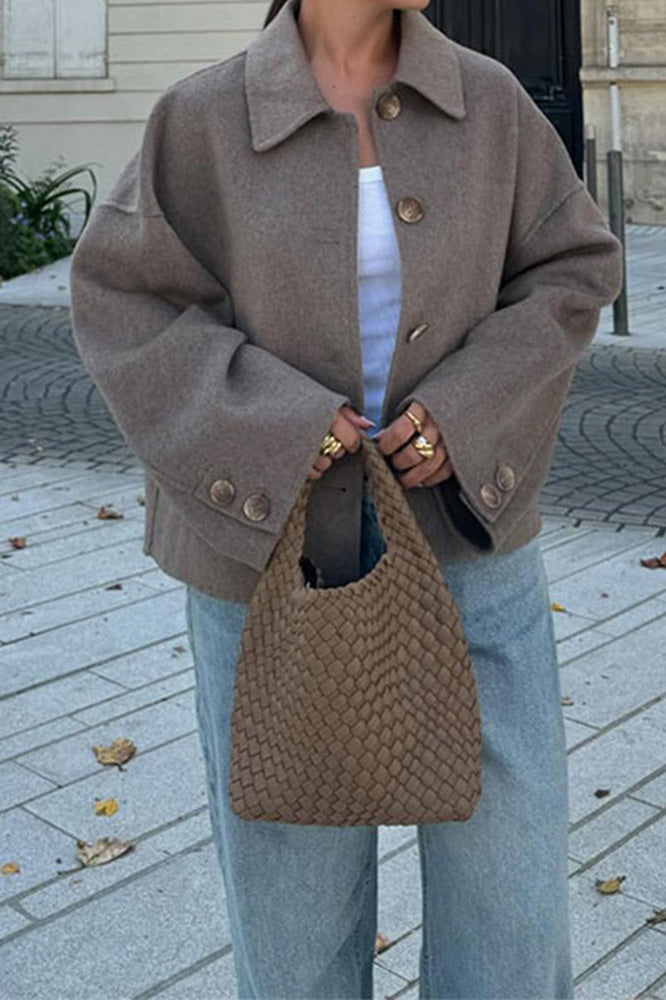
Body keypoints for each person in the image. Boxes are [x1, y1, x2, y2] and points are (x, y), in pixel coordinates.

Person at [69, 0, 624, 996]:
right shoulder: (201, 119)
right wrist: (280, 425)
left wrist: (467, 410)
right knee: (294, 920)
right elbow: (122, 300)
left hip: (471, 548)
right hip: (265, 564)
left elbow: (573, 268)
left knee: (513, 902)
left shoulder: (491, 102)